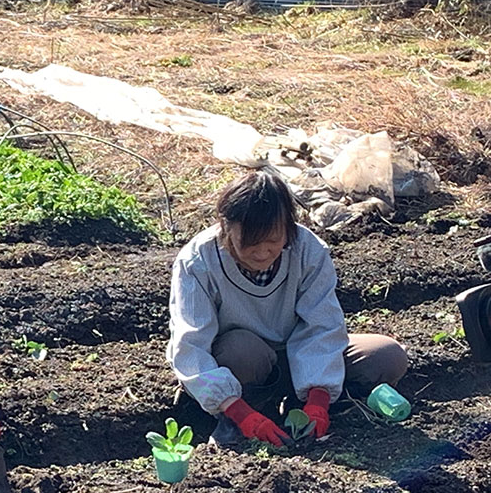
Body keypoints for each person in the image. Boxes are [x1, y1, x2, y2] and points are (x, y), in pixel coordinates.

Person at [166, 169, 408, 447]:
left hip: (296, 356)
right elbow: (190, 348)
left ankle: (304, 405)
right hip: (244, 364)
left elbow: (322, 325)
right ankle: (238, 416)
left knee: (386, 356)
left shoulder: (309, 251)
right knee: (242, 350)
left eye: (273, 241)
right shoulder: (198, 261)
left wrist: (317, 398)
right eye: (250, 243)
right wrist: (240, 412)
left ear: (288, 229)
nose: (262, 253)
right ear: (225, 227)